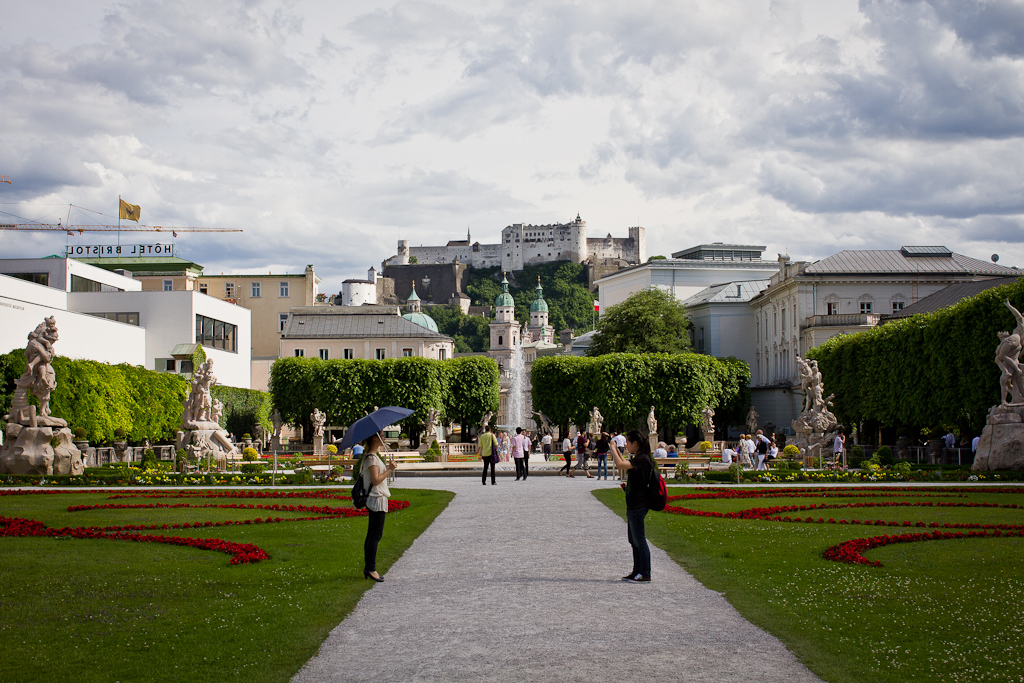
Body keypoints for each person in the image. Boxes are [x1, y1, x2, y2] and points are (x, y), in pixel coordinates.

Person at [610, 429, 655, 583]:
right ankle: (637, 571)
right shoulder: (640, 457)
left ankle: (645, 573)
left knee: (639, 540)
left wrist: (612, 448)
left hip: (638, 504)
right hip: (634, 502)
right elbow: (627, 466)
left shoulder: (642, 458)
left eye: (628, 443)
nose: (627, 445)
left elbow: (620, 464)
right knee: (633, 540)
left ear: (635, 443)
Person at [357, 433, 397, 582]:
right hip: (376, 498)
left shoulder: (371, 456)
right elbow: (376, 480)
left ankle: (369, 567)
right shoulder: (372, 458)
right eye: (381, 435)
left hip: (376, 497)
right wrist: (389, 469)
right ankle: (371, 568)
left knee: (372, 534)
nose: (384, 438)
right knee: (375, 535)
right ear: (375, 438)